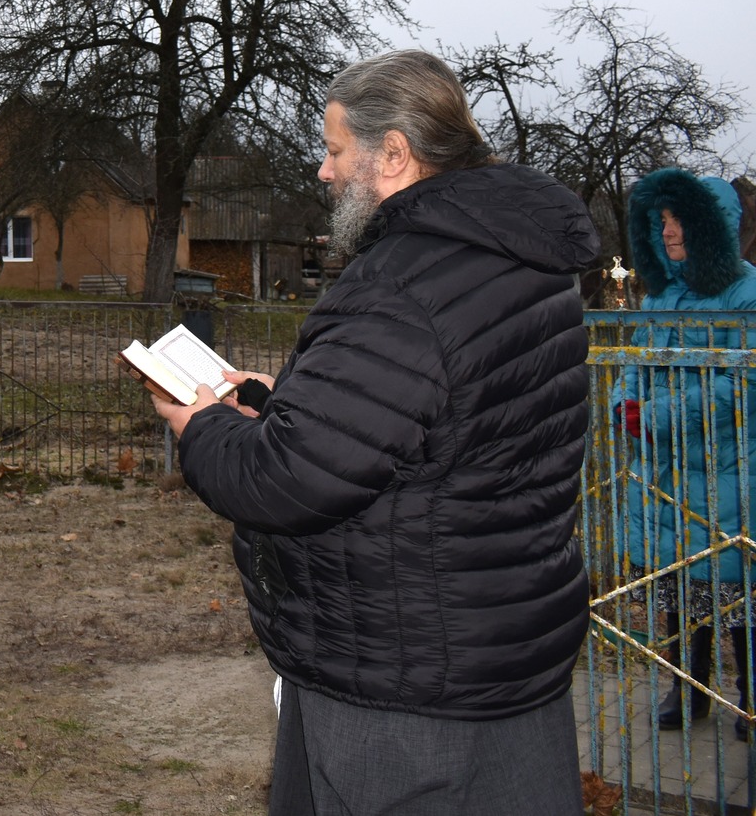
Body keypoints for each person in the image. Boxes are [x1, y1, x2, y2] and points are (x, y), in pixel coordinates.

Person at [154, 50, 599, 815]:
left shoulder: (403, 284)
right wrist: (271, 400)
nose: (325, 173)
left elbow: (289, 478)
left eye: (334, 150)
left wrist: (202, 428)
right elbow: (442, 433)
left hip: (402, 687)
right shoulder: (524, 263)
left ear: (392, 152)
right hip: (504, 655)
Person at [612, 167, 756, 733]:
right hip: (664, 474)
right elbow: (631, 364)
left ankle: (749, 698)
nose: (667, 232)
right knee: (677, 584)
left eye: (678, 221)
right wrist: (625, 402)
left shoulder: (747, 292)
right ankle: (688, 690)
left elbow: (741, 383)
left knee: (738, 591)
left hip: (729, 471)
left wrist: (659, 417)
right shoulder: (659, 296)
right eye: (662, 220)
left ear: (711, 226)